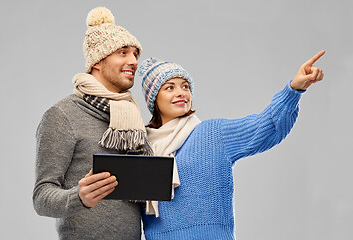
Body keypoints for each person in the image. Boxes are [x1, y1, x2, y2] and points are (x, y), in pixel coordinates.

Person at [137, 51, 325, 239]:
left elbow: (267, 125)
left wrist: (294, 89)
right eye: (169, 88)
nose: (181, 92)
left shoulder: (212, 134)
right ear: (154, 99)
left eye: (185, 86)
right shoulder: (140, 148)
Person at [33, 7, 151, 240]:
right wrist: (79, 197)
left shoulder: (131, 120)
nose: (134, 61)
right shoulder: (62, 115)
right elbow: (41, 197)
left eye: (135, 54)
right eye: (123, 52)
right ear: (97, 61)